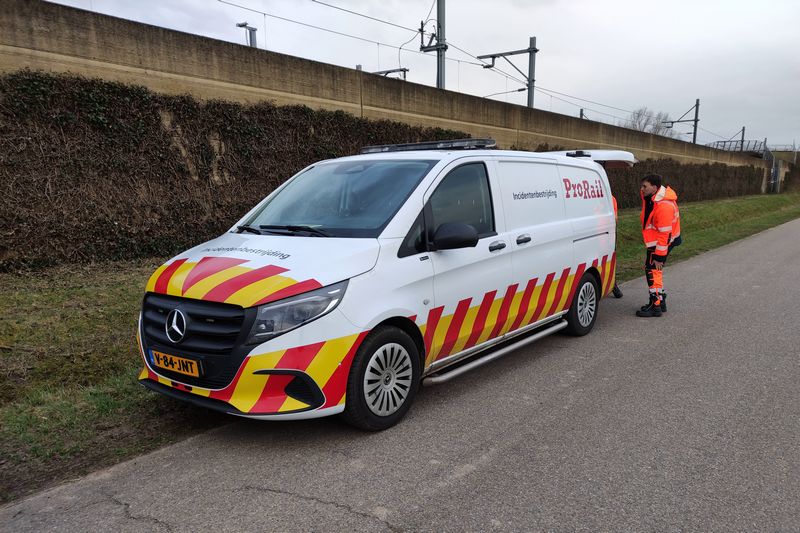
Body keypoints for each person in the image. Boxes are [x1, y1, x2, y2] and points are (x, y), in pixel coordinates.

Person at [636, 174, 681, 317]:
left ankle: (655, 305)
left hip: (661, 243)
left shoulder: (663, 206)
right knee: (655, 271)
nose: (641, 189)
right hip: (656, 241)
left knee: (653, 270)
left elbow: (664, 233)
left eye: (645, 186)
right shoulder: (653, 197)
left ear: (655, 188)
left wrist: (659, 256)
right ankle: (660, 301)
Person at [611, 194, 623, 298]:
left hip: (607, 234)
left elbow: (615, 219)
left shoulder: (611, 199)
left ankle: (613, 284)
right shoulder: (611, 198)